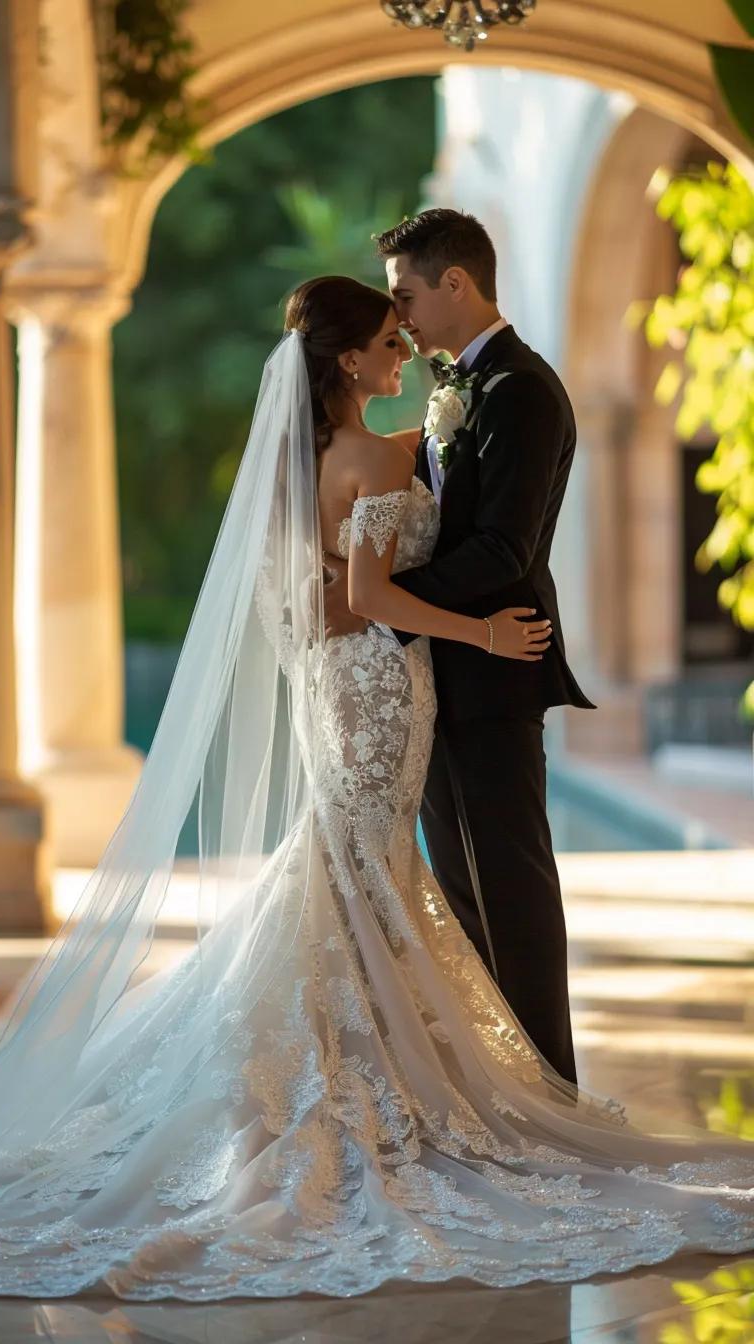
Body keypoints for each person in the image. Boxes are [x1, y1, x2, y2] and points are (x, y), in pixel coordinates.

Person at [0, 276, 751, 1303]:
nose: (399, 351)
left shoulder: (311, 456)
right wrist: (486, 632)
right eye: (383, 340)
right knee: (361, 869)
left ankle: (348, 1069)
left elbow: (318, 591)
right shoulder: (371, 453)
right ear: (343, 364)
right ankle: (356, 1085)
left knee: (347, 869)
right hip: (378, 683)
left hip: (345, 684)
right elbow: (368, 596)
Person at [324, 210, 593, 1085]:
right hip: (436, 674)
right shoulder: (458, 387)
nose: (397, 317)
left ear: (455, 285)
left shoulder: (520, 390)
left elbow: (502, 550)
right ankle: (499, 1089)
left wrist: (382, 608)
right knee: (463, 895)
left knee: (509, 890)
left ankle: (549, 1086)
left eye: (405, 295)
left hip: (493, 669)